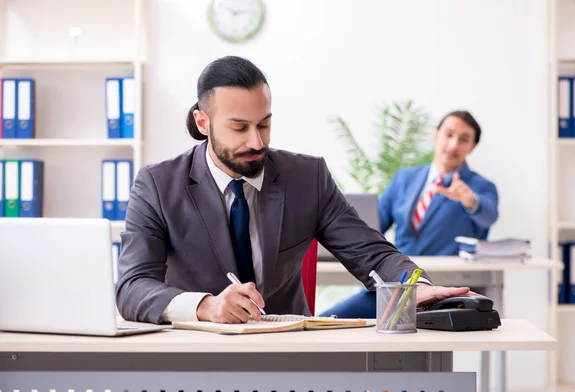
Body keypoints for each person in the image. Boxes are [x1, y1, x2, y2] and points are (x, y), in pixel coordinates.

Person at [115, 56, 474, 325]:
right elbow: (131, 287)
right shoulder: (158, 185)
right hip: (193, 355)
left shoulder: (307, 177)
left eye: (264, 124)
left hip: (287, 356)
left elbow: (372, 254)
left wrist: (416, 287)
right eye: (239, 128)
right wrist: (204, 305)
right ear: (203, 122)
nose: (256, 141)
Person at [320, 110, 499, 318]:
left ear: (472, 147)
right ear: (436, 135)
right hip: (397, 283)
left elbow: (489, 216)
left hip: (445, 291)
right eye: (448, 135)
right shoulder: (404, 179)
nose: (453, 145)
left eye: (463, 139)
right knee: (328, 321)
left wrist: (470, 200)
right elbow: (375, 224)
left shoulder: (480, 187)